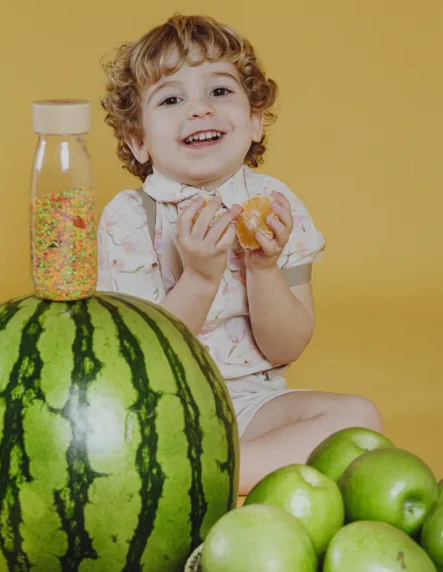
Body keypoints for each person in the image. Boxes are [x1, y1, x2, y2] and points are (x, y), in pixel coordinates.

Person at [96, 13, 383, 494]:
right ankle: (206, 470)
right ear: (139, 141)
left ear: (253, 121)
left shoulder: (275, 205)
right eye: (171, 98)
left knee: (359, 420)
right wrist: (200, 279)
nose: (200, 109)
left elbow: (286, 348)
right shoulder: (131, 217)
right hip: (156, 409)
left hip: (250, 407)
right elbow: (140, 356)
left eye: (220, 91)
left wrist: (263, 268)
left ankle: (200, 476)